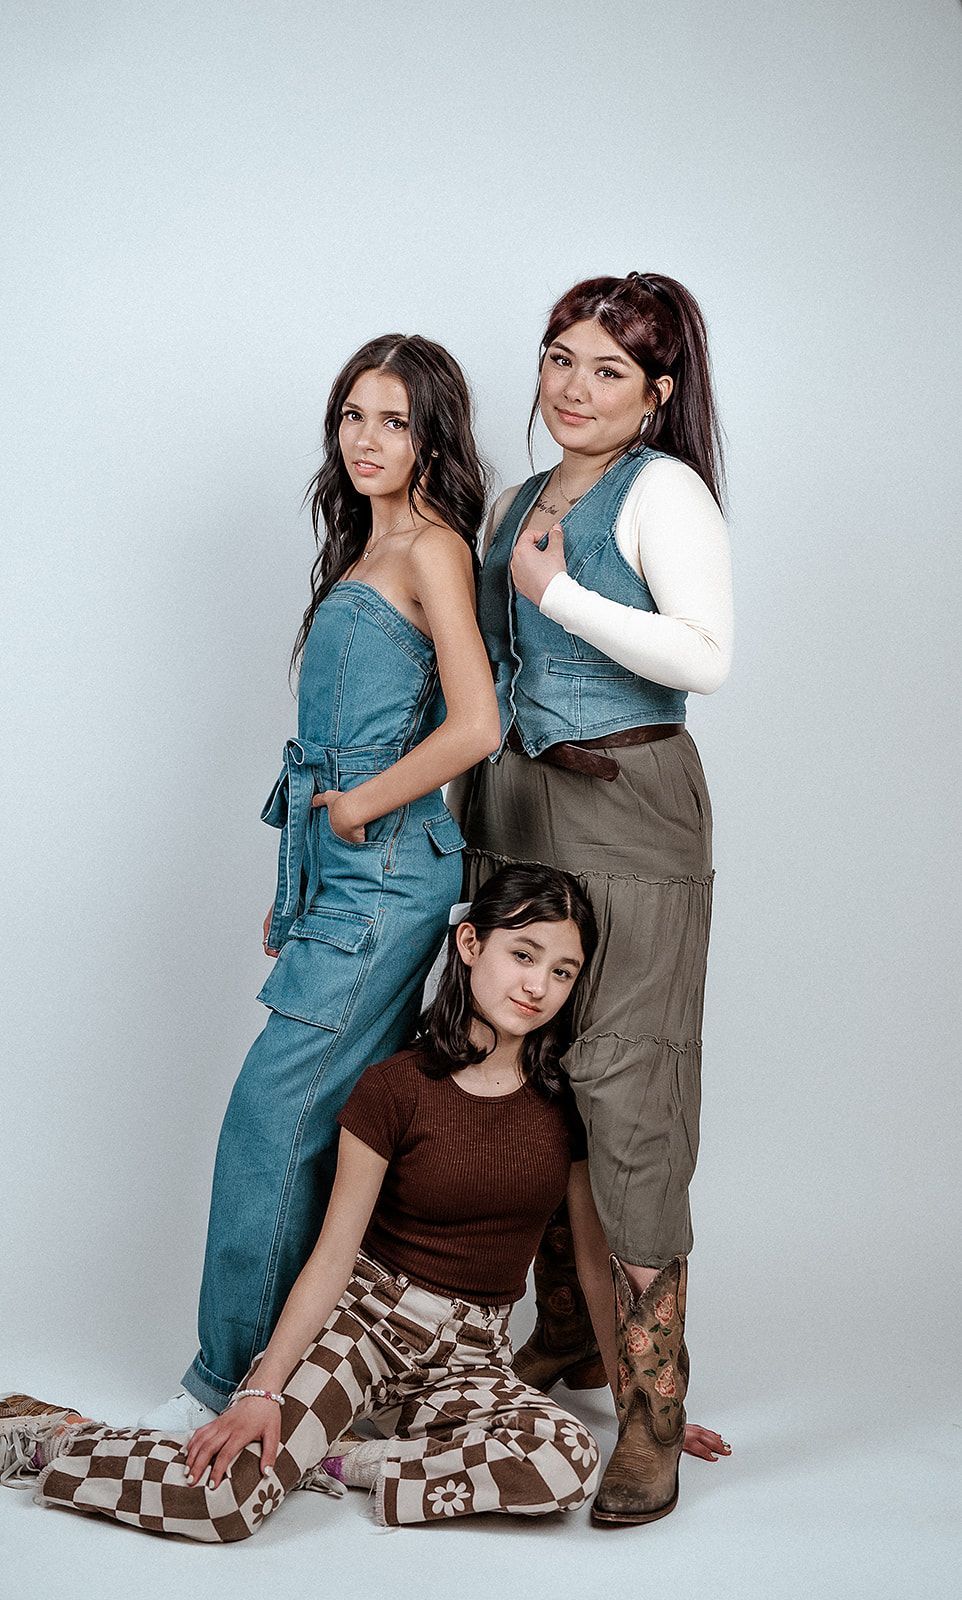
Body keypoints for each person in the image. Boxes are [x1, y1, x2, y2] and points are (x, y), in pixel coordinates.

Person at [0, 865, 729, 1539]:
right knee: (220, 1505)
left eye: (563, 971)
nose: (538, 986)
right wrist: (263, 1388)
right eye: (524, 954)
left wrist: (643, 1409)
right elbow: (333, 1255)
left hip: (469, 1355)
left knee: (564, 1463)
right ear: (471, 943)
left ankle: (343, 1462)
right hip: (366, 1326)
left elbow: (592, 1271)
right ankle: (39, 1434)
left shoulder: (565, 1113)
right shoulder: (394, 1087)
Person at [140, 335, 502, 1433]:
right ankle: (311, 1372)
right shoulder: (368, 547)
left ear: (433, 432)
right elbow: (335, 740)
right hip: (346, 872)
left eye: (393, 419)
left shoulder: (433, 548)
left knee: (271, 1116)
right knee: (341, 1119)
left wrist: (355, 810)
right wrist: (298, 873)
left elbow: (479, 724)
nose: (365, 439)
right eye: (352, 416)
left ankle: (224, 1385)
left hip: (386, 869)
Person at [453, 272, 733, 1526]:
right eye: (561, 357)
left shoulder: (661, 489)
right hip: (517, 808)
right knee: (538, 1068)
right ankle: (567, 1335)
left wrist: (559, 594)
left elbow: (708, 656)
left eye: (609, 370)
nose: (573, 386)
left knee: (628, 1082)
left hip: (627, 798)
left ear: (657, 395)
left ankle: (653, 1412)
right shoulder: (520, 494)